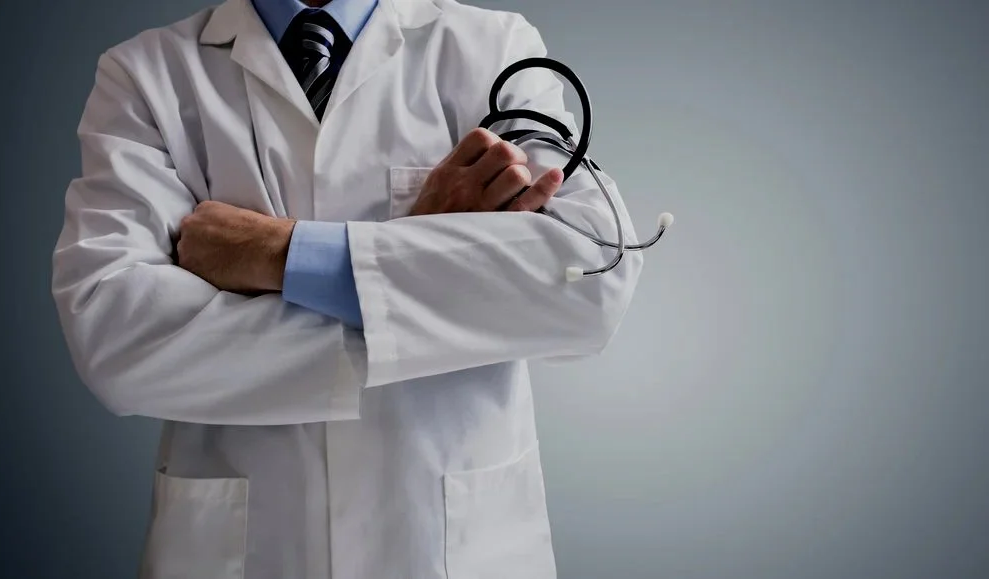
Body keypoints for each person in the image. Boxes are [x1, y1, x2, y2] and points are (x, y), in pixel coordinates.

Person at [51, 0, 643, 577]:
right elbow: (116, 334)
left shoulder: (492, 49)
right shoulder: (146, 74)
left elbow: (590, 276)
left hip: (454, 551)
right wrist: (432, 286)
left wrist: (278, 254)